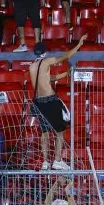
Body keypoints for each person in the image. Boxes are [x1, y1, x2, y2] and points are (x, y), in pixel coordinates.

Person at [29, 36, 86, 171]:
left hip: (39, 102)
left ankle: (45, 162)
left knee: (45, 133)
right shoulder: (47, 61)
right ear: (45, 52)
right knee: (59, 131)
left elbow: (47, 79)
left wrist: (65, 74)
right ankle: (58, 160)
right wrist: (79, 44)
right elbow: (66, 56)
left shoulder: (32, 67)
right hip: (50, 100)